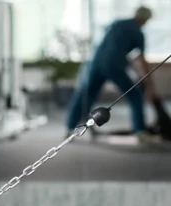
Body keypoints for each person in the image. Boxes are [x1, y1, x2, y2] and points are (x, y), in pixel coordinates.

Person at [66, 6, 159, 144]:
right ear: (144, 18)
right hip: (113, 66)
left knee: (86, 95)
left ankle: (69, 129)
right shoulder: (138, 32)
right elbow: (141, 60)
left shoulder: (117, 23)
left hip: (96, 63)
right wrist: (149, 85)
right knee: (135, 96)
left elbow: (113, 46)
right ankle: (140, 131)